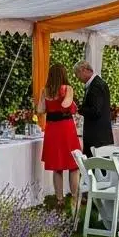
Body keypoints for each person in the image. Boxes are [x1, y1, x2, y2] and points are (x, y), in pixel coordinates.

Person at [35, 63, 82, 209]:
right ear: (63, 74)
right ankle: (74, 198)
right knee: (73, 166)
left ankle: (59, 200)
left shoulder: (45, 90)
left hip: (52, 130)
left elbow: (40, 109)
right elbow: (66, 105)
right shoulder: (68, 88)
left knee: (57, 166)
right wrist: (67, 97)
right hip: (66, 128)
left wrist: (49, 99)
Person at [74, 60, 113, 155]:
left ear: (84, 70)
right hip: (98, 135)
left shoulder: (96, 85)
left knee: (96, 166)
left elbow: (96, 111)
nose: (77, 78)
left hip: (97, 137)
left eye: (77, 74)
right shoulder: (96, 83)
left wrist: (80, 109)